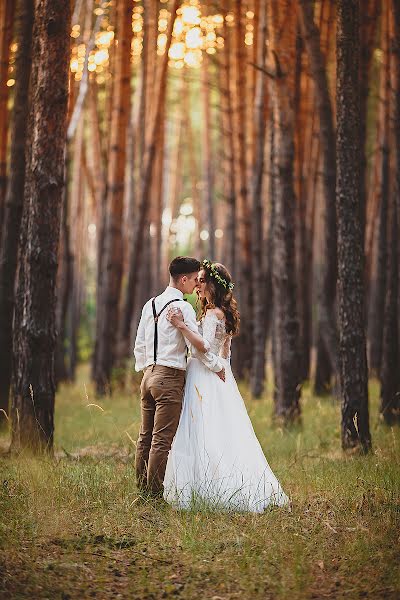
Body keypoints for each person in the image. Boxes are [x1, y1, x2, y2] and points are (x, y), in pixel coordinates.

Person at [164, 260, 289, 512]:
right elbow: (226, 352)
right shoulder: (221, 311)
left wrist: (181, 326)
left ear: (211, 284)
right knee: (221, 430)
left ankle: (205, 489)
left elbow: (203, 350)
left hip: (205, 375)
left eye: (201, 280)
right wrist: (223, 368)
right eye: (196, 279)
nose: (197, 284)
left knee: (201, 429)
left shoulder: (212, 314)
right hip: (220, 376)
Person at [133, 256, 225, 500]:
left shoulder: (150, 304)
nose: (197, 285)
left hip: (148, 376)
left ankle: (141, 489)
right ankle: (153, 495)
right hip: (170, 377)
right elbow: (198, 348)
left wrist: (148, 369)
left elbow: (140, 344)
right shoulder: (182, 307)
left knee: (145, 437)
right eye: (195, 279)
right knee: (161, 440)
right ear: (183, 279)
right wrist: (217, 366)